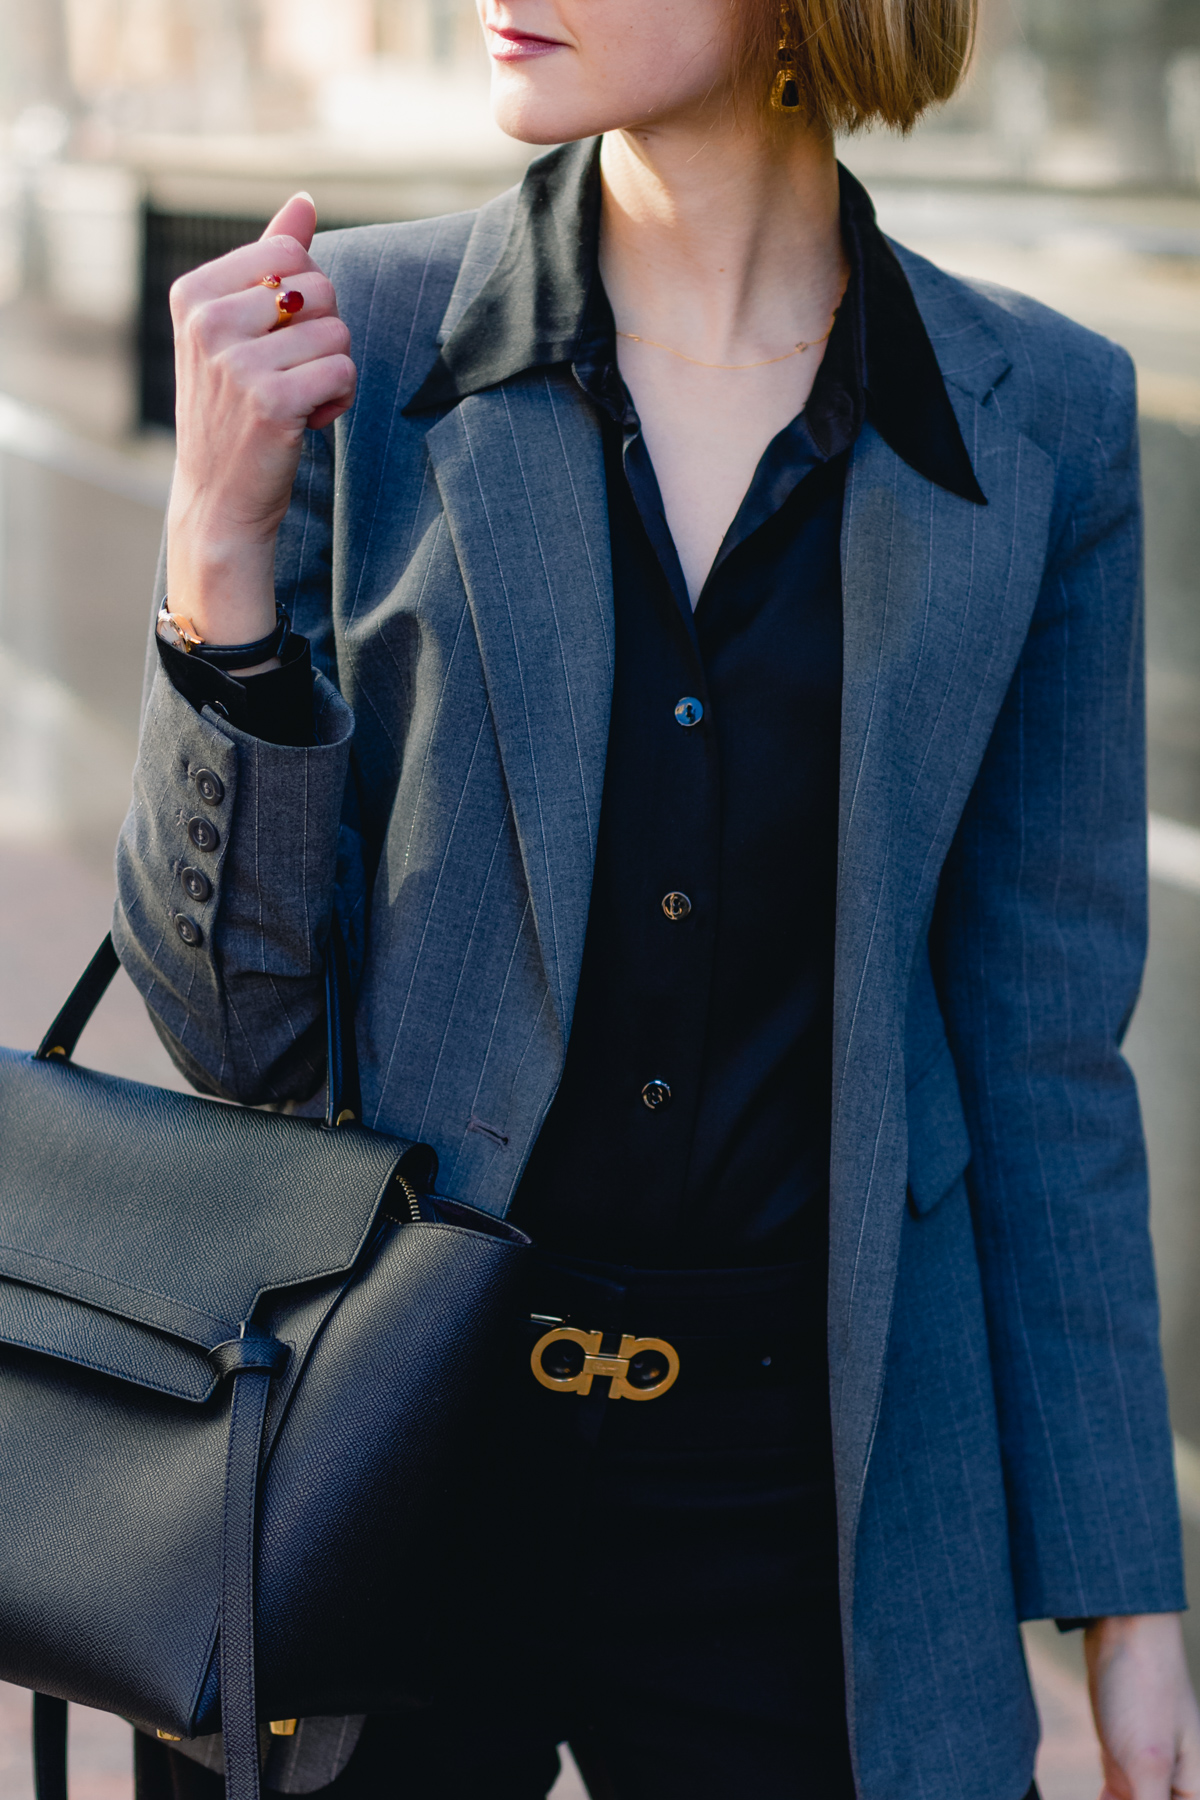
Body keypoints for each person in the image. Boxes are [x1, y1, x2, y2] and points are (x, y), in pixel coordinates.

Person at [115, 0, 1200, 1795]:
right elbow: (236, 1029)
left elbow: (1044, 1061)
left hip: (805, 1499)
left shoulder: (1044, 422)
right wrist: (213, 567)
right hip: (387, 1453)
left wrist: (1126, 1596)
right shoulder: (356, 350)